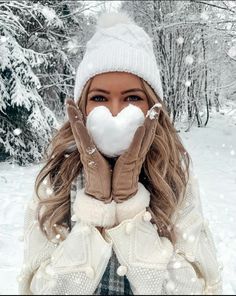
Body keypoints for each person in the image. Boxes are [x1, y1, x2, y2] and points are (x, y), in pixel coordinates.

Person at [18, 11, 223, 295]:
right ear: (81, 108)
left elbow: (200, 287)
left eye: (132, 98)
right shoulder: (56, 181)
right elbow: (38, 287)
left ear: (153, 108)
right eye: (99, 98)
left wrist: (129, 207)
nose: (115, 112)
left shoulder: (174, 179)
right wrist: (96, 207)